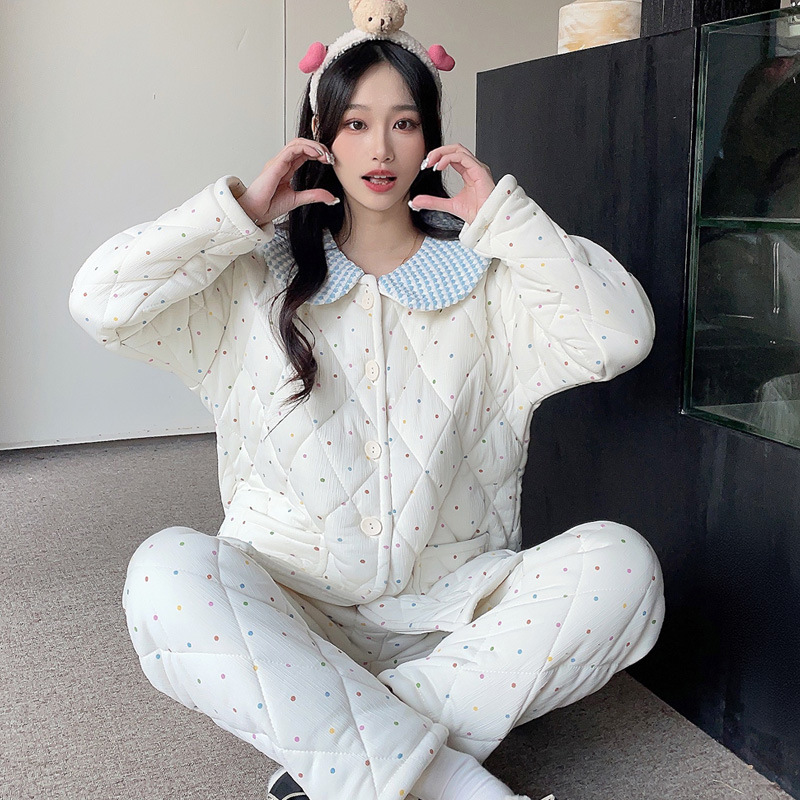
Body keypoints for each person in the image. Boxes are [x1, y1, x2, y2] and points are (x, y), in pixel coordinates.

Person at [69, 3, 664, 800]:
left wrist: (506, 221)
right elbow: (98, 301)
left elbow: (623, 334)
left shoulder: (492, 281)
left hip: (454, 620)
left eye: (403, 123)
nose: (380, 149)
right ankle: (452, 783)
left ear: (432, 139)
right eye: (355, 123)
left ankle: (331, 749)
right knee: (163, 574)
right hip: (290, 614)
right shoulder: (251, 280)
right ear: (319, 135)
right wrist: (236, 215)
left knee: (624, 568)